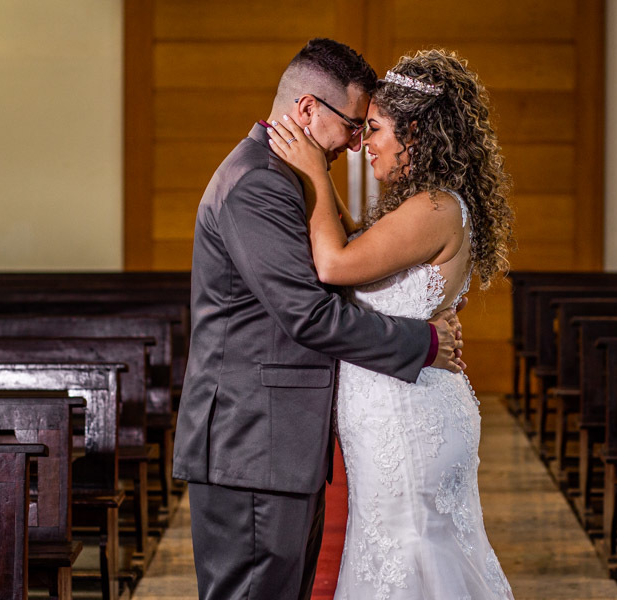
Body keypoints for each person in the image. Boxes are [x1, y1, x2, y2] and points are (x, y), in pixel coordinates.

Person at [172, 38, 466, 600]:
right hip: (252, 445)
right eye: (353, 126)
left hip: (273, 447)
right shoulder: (258, 183)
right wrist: (421, 342)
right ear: (307, 110)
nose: (356, 145)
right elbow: (308, 315)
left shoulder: (287, 178)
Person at [266, 48, 516, 599]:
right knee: (395, 552)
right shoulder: (421, 206)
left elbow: (333, 264)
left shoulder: (434, 208)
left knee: (411, 554)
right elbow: (356, 247)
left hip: (410, 419)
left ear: (417, 131)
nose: (363, 144)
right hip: (397, 412)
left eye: (375, 128)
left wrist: (311, 170)